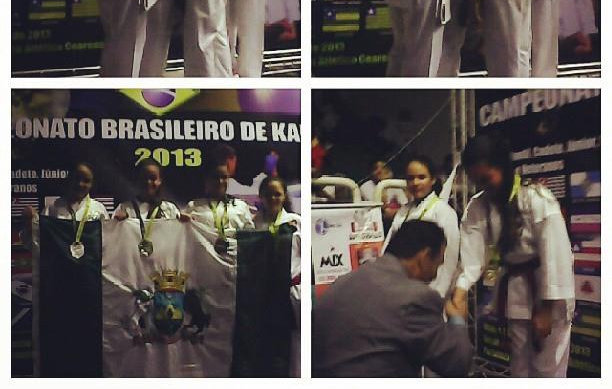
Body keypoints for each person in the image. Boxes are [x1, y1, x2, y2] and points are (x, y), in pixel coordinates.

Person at [451, 134, 575, 377]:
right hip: (516, 294)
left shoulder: (536, 198)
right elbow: (472, 257)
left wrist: (547, 309)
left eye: (486, 178)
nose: (483, 186)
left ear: (503, 167)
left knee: (548, 371)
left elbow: (555, 255)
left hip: (548, 292)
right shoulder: (479, 206)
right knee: (520, 369)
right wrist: (460, 290)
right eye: (476, 181)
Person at [312, 220, 473, 377]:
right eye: (437, 264)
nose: (435, 275)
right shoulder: (416, 298)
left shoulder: (341, 284)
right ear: (424, 257)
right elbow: (456, 365)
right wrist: (458, 319)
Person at [381, 156, 459, 299]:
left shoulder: (444, 212)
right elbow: (388, 248)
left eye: (421, 177)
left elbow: (449, 259)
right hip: (399, 288)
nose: (415, 183)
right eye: (410, 178)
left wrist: (438, 294)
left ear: (433, 179)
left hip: (429, 290)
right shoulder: (403, 211)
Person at [254, 176, 301, 376]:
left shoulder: (295, 222)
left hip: (290, 294)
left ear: (284, 196)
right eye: (268, 194)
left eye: (277, 194)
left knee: (294, 345)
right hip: (264, 295)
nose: (273, 198)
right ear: (261, 197)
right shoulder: (253, 224)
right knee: (267, 344)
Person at [185, 160, 255, 252]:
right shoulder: (193, 206)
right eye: (215, 177)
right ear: (206, 180)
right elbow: (184, 239)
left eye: (224, 177)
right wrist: (182, 221)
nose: (220, 181)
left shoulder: (241, 206)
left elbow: (250, 239)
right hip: (204, 259)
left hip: (234, 259)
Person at [113, 158, 182, 220]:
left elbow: (181, 229)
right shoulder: (124, 209)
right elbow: (112, 229)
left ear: (160, 181)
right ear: (137, 180)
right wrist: (119, 223)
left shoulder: (170, 209)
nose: (148, 182)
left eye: (153, 178)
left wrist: (184, 222)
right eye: (144, 178)